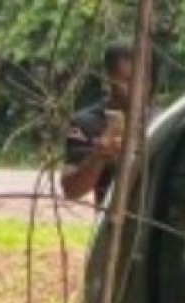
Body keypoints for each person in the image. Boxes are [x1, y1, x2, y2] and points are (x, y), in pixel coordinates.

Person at [61, 44, 136, 204]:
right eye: (127, 81)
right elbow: (71, 190)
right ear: (108, 80)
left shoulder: (164, 119)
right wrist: (99, 156)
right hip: (113, 223)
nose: (136, 89)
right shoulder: (85, 123)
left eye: (143, 80)